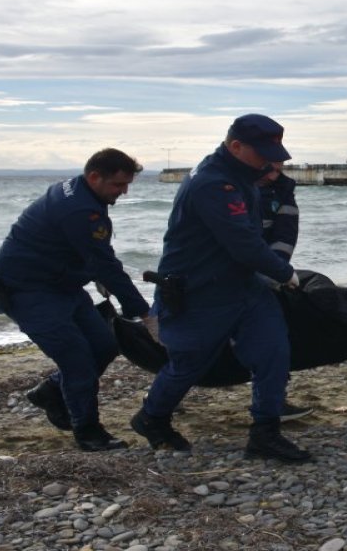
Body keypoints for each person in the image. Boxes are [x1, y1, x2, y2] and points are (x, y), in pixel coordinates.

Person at [131, 114, 310, 462]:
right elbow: (242, 242)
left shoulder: (242, 176)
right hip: (200, 290)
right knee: (189, 362)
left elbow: (256, 233)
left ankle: (265, 434)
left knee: (272, 350)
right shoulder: (213, 183)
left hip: (244, 284)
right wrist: (285, 272)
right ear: (236, 146)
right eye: (262, 153)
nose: (269, 161)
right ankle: (152, 417)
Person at [0, 148, 149, 451]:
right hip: (27, 291)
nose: (123, 192)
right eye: (118, 185)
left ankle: (50, 390)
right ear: (94, 176)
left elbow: (88, 251)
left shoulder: (81, 192)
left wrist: (97, 273)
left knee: (104, 345)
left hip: (63, 286)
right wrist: (142, 312)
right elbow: (104, 262)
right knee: (78, 362)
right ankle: (88, 431)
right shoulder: (78, 209)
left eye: (127, 185)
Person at [257, 162, 313, 422]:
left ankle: (272, 405)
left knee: (273, 339)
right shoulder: (228, 188)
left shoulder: (283, 191)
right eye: (268, 168)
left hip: (265, 276)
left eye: (278, 170)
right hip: (226, 278)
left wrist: (276, 273)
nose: (273, 175)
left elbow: (285, 236)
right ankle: (161, 402)